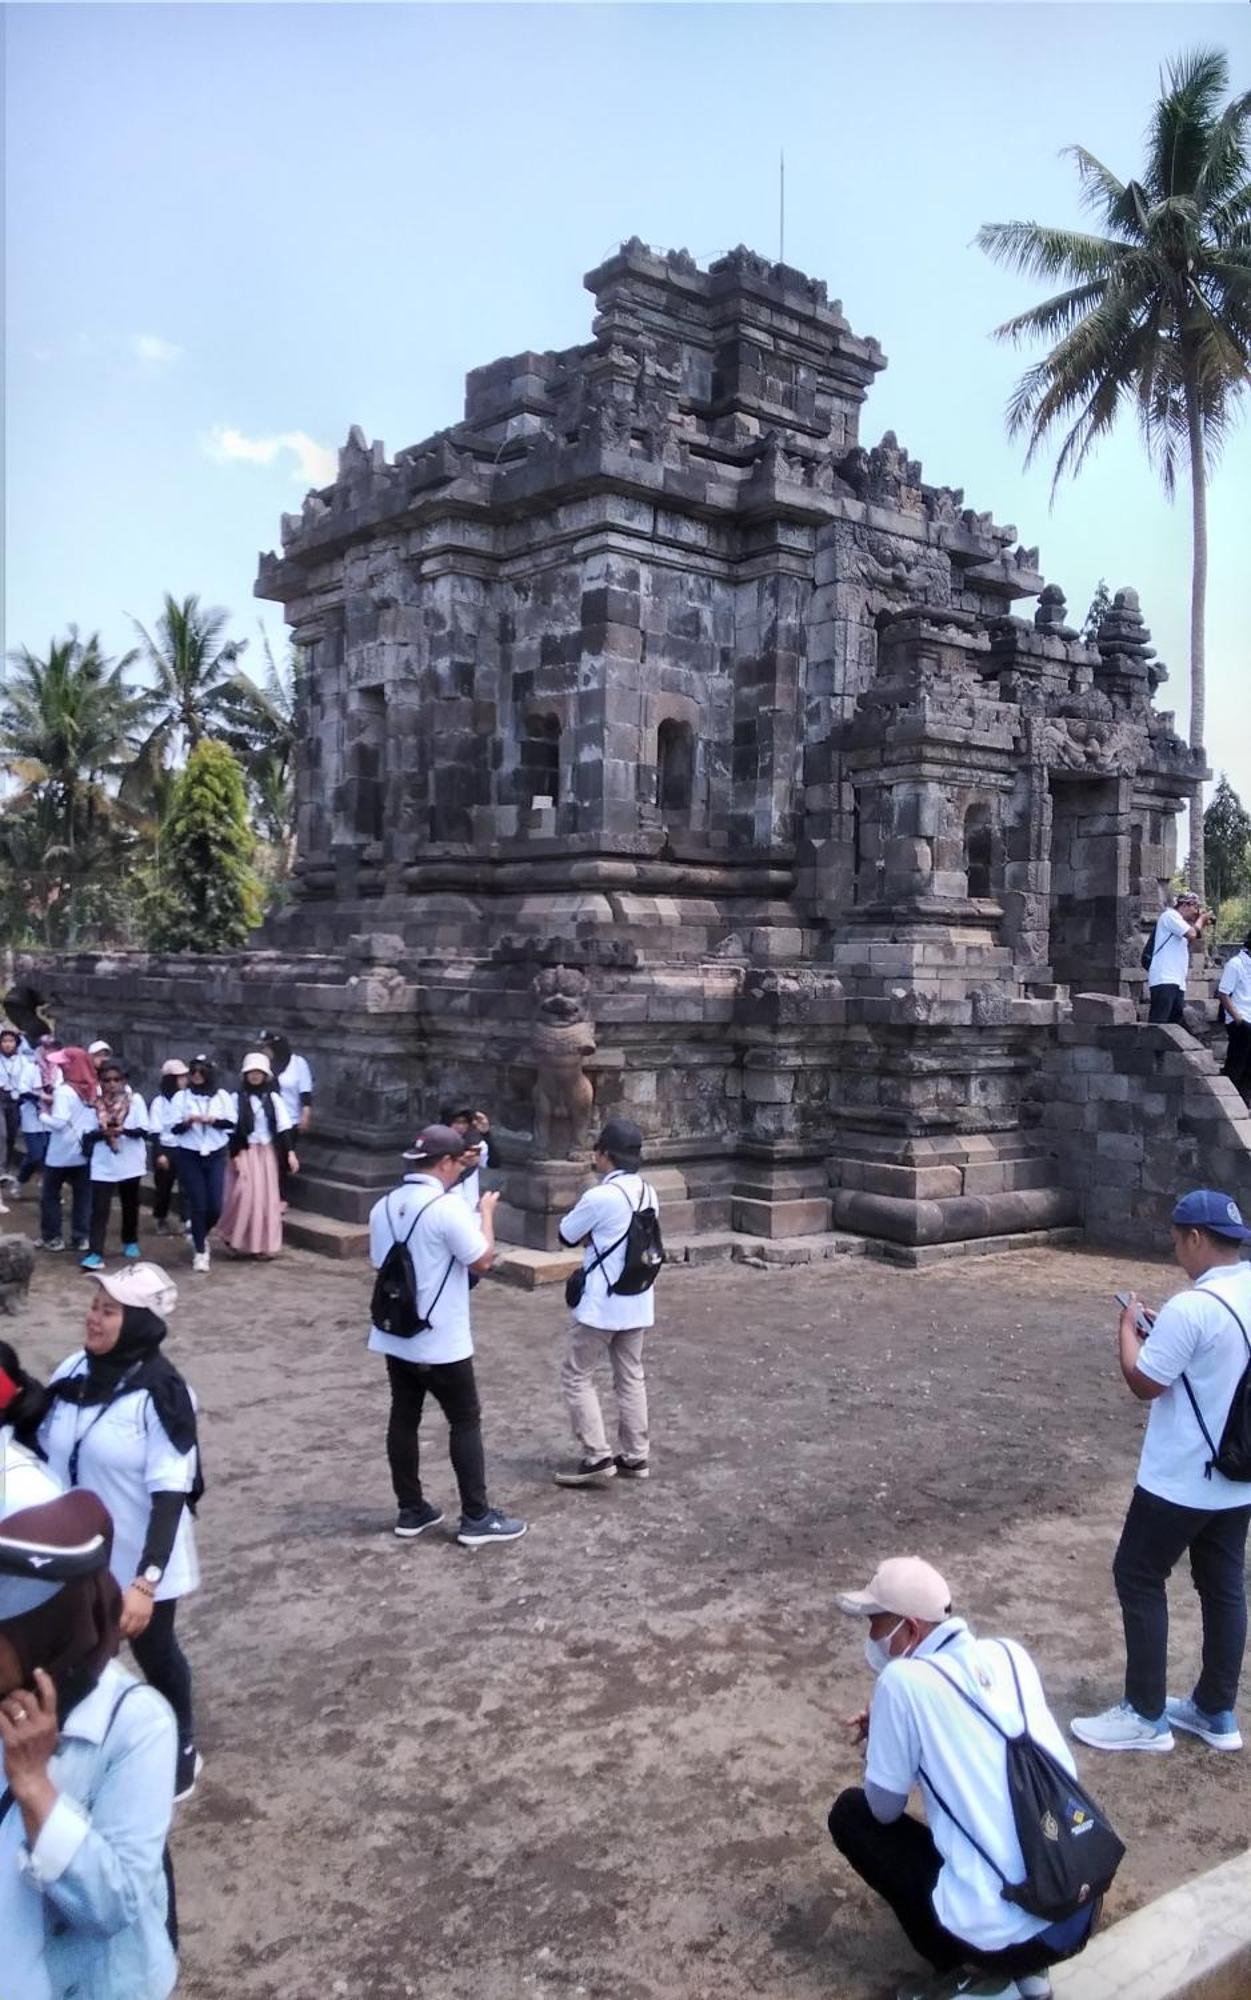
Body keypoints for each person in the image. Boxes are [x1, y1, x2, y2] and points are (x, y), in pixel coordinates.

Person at [829, 1557, 1091, 2000]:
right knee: (993, 1820)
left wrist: (885, 1742)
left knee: (851, 1815)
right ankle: (1031, 1973)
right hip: (1077, 1904)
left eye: (876, 1622)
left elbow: (883, 1809)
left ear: (910, 1630)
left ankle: (980, 1977)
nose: (871, 1636)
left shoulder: (901, 1682)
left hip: (1001, 1936)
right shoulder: (1009, 1653)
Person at [1072, 1189, 1251, 1755]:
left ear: (1196, 1238)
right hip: (1237, 1472)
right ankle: (1215, 1709)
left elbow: (1145, 1381)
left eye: (1177, 1241)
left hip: (1179, 1478)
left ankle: (1145, 1714)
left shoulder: (1191, 1307)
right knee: (1223, 1587)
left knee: (1138, 1575)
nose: (1176, 1252)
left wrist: (1129, 1326)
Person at [0, 1482, 178, 2000]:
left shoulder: (136, 1725)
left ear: (42, 1631)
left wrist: (35, 1786)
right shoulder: (10, 1694)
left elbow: (113, 1905)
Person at [38, 1261, 203, 1804]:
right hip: (76, 1560)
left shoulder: (164, 1393)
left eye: (109, 1311)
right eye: (94, 1307)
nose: (93, 1319)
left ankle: (181, 1747)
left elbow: (171, 1492)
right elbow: (34, 1438)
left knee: (156, 1656)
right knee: (71, 1659)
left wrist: (145, 1581)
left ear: (137, 1324)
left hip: (140, 1559)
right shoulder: (73, 1371)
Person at [368, 1124, 526, 1548]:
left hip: (396, 1332)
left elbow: (377, 1262)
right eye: (459, 1161)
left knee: (404, 1414)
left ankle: (411, 1507)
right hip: (440, 1336)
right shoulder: (446, 1208)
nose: (462, 1168)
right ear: (444, 1163)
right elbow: (482, 1260)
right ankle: (476, 1515)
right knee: (464, 1419)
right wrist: (487, 1215)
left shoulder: (382, 1206)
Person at [554, 1116, 659, 1487]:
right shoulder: (649, 1191)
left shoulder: (600, 1196)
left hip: (601, 1303)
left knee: (577, 1374)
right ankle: (635, 1455)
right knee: (631, 1376)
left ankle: (597, 1455)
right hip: (636, 1299)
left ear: (606, 1156)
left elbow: (566, 1233)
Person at [217, 1051, 298, 1258]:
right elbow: (232, 1128)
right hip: (244, 1151)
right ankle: (233, 1236)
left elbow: (283, 1126)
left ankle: (262, 1245)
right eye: (251, 1072)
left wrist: (290, 1153)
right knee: (242, 1195)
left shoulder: (272, 1099)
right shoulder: (237, 1099)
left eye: (258, 1072)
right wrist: (234, 1154)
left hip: (265, 1153)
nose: (254, 1076)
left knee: (265, 1200)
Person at [168, 1054, 237, 1274]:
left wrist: (212, 1120)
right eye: (193, 1072)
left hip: (215, 1152)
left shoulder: (222, 1096)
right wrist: (188, 1122)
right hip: (190, 1153)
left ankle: (199, 1232)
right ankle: (200, 1251)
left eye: (201, 1072)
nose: (197, 1076)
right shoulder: (181, 1097)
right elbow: (173, 1128)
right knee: (198, 1202)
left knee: (215, 1205)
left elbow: (231, 1123)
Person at [81, 1061, 149, 1273]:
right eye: (107, 1080)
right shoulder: (95, 1104)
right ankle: (95, 1252)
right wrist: (104, 1133)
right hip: (103, 1161)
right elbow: (87, 1135)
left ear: (124, 1081)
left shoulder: (134, 1101)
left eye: (116, 1080)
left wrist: (123, 1131)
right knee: (99, 1208)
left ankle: (130, 1239)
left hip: (130, 1160)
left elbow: (144, 1130)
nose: (111, 1084)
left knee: (130, 1203)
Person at [38, 1052, 95, 1254]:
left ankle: (53, 1237)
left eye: (64, 1065)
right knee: (83, 1196)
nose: (61, 1068)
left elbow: (60, 1122)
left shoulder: (64, 1091)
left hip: (60, 1152)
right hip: (83, 1151)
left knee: (50, 1195)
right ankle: (81, 1236)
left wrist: (43, 1115)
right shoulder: (92, 1089)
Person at [1144, 891, 1212, 1026]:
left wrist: (1199, 923)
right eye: (1195, 907)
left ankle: (1166, 1048)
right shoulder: (1170, 916)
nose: (1195, 912)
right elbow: (1192, 934)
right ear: (1185, 905)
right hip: (1164, 978)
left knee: (1173, 1024)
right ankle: (1152, 1048)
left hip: (1177, 980)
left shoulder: (1181, 923)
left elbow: (1193, 937)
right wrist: (1200, 920)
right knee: (1159, 1024)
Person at [148, 1060, 189, 1237]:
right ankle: (160, 1217)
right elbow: (155, 1130)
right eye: (180, 1077)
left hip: (185, 1147)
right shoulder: (160, 1102)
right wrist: (159, 1154)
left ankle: (185, 1219)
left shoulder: (188, 1099)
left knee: (186, 1188)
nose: (184, 1080)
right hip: (166, 1148)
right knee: (163, 1188)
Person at [441, 1102, 495, 1212]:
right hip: (445, 1203)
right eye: (456, 1122)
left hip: (470, 1206)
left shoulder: (473, 1144)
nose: (460, 1127)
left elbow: (494, 1163)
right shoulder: (436, 1144)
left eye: (464, 1123)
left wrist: (486, 1134)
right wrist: (460, 1163)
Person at [1217, 933, 1251, 1105]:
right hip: (1240, 1019)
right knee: (1238, 1062)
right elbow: (1224, 993)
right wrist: (1238, 1019)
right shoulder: (1236, 964)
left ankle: (1245, 1100)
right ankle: (1230, 1100)